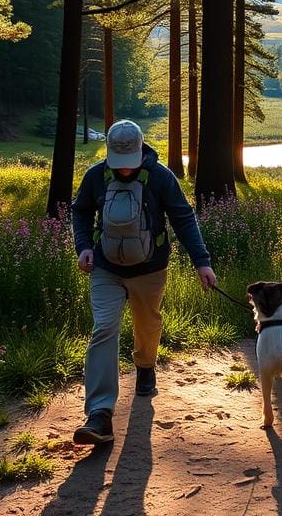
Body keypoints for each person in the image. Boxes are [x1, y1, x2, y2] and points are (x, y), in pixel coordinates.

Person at [70, 119, 217, 445]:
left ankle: (145, 365)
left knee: (147, 324)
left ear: (140, 151)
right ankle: (99, 414)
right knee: (104, 328)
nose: (124, 170)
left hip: (150, 269)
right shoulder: (96, 175)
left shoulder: (162, 177)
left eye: (129, 164)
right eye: (118, 163)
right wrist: (83, 247)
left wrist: (202, 262)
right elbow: (79, 211)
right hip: (105, 268)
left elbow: (183, 218)